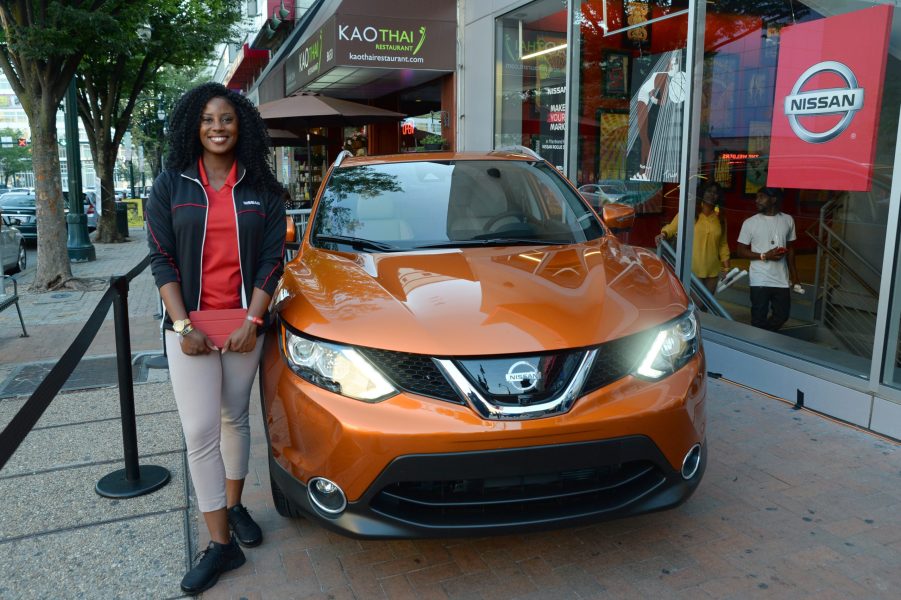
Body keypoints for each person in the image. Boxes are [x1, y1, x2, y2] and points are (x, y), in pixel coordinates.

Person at [146, 83, 286, 595]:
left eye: (226, 118)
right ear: (193, 126)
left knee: (235, 417)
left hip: (244, 323)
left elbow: (273, 259)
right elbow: (161, 258)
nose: (218, 127)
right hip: (191, 327)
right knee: (201, 430)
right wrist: (183, 326)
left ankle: (234, 504)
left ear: (241, 125)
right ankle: (221, 545)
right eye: (208, 119)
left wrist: (253, 321)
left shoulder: (263, 189)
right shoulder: (170, 185)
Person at [736, 186, 800, 331]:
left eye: (761, 197)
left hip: (781, 279)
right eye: (756, 197)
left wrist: (795, 276)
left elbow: (791, 250)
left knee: (782, 316)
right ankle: (760, 345)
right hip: (760, 279)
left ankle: (764, 338)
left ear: (773, 199)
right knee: (758, 317)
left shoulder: (788, 220)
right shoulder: (750, 223)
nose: (756, 201)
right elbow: (740, 251)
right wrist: (764, 255)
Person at [655, 182, 731, 295]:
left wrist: (726, 269)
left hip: (712, 270)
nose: (712, 195)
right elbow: (673, 227)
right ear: (702, 193)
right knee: (698, 305)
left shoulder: (720, 218)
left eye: (715, 193)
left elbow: (723, 245)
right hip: (692, 268)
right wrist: (663, 234)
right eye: (709, 191)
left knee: (706, 307)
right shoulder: (690, 212)